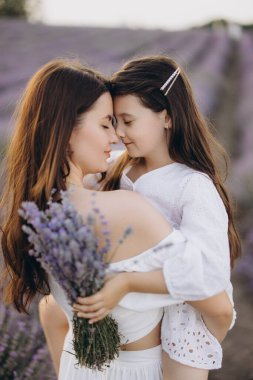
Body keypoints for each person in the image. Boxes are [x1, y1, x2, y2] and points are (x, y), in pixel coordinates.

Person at [0, 58, 232, 380]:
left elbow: (215, 293)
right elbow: (218, 306)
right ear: (68, 130)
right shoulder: (118, 188)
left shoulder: (42, 211)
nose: (118, 136)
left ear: (167, 116)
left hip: (83, 361)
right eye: (108, 123)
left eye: (124, 121)